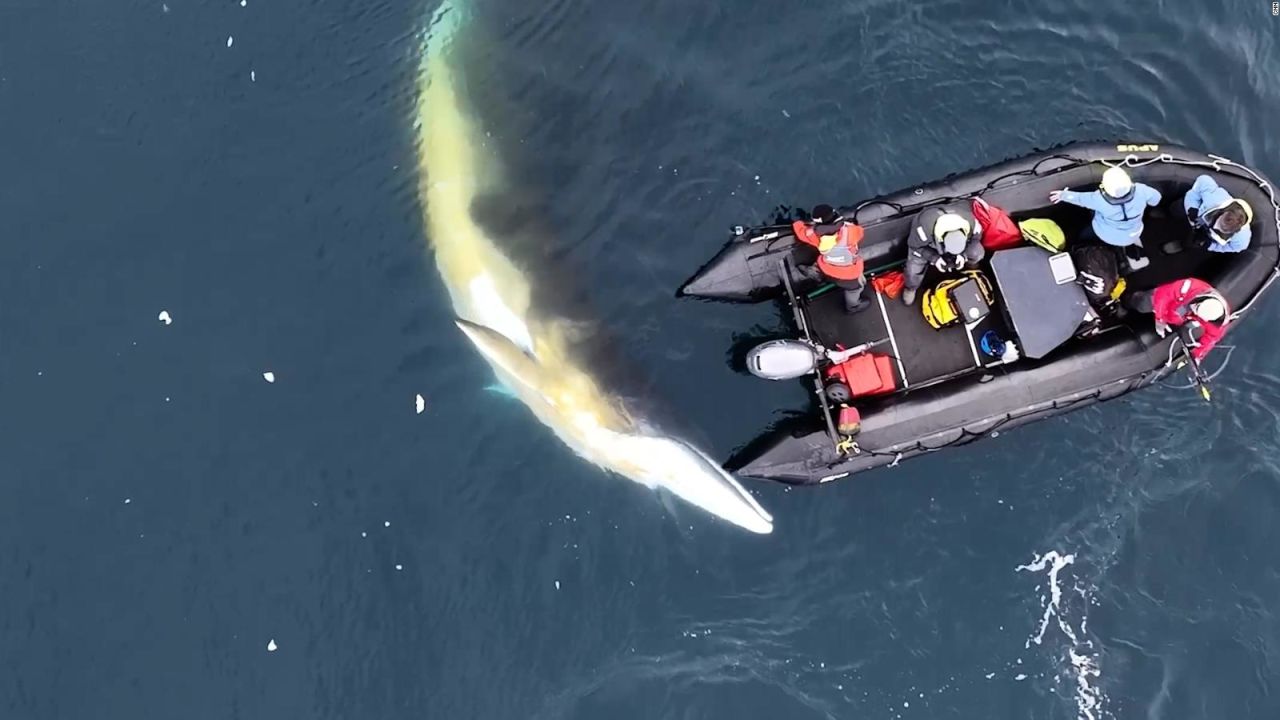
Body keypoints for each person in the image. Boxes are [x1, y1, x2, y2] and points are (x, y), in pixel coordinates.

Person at [1049, 166, 1162, 270]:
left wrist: (1062, 195)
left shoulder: (1098, 199)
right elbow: (1156, 199)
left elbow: (1080, 199)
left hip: (1105, 234)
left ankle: (1081, 242)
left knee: (1085, 232)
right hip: (1133, 235)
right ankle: (1124, 248)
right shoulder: (1142, 190)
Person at [1125, 277, 1229, 361]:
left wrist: (1197, 356)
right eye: (1196, 307)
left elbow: (1211, 338)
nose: (1193, 308)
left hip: (1174, 316)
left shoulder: (1216, 322)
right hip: (1164, 302)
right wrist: (1160, 319)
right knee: (1142, 303)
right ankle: (1126, 300)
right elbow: (1163, 296)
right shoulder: (1190, 286)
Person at [902, 203, 985, 305]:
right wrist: (934, 258)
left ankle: (970, 264)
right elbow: (914, 246)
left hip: (960, 246)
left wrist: (963, 255)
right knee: (913, 269)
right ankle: (911, 287)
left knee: (977, 252)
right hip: (925, 245)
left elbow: (976, 238)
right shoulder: (923, 230)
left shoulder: (971, 223)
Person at [791, 205, 869, 313]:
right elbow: (860, 232)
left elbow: (799, 230)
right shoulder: (850, 231)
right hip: (849, 274)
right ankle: (853, 307)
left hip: (828, 269)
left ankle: (817, 274)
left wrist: (800, 223)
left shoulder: (813, 235)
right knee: (856, 288)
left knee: (823, 265)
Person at [1162, 174, 1254, 254]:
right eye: (1214, 221)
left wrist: (1211, 246)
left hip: (1204, 236)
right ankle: (1166, 212)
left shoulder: (1242, 239)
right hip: (1193, 212)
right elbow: (1203, 180)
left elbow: (1235, 248)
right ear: (1222, 211)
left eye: (1219, 231)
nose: (1213, 226)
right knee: (1176, 209)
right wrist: (1192, 208)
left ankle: (1182, 245)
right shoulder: (1215, 197)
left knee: (1193, 243)